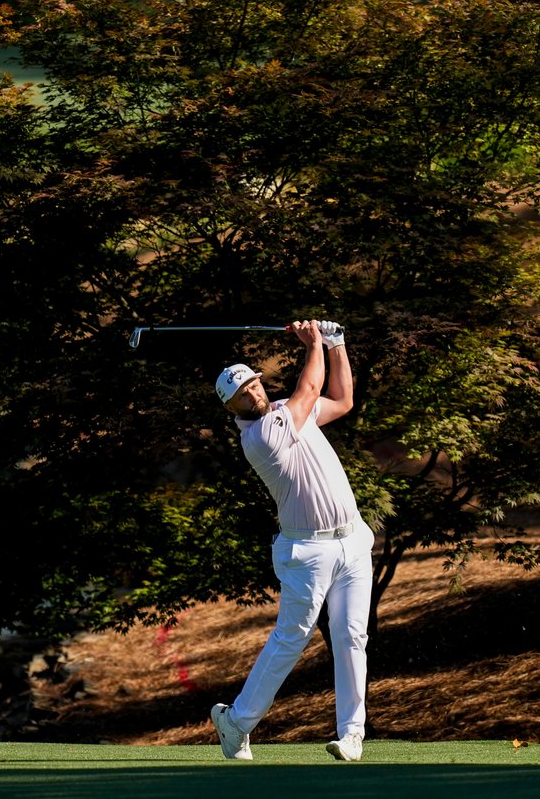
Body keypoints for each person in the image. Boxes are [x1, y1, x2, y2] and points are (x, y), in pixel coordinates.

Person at [209, 319, 374, 763]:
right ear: (232, 409)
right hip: (307, 552)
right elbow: (311, 385)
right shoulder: (262, 436)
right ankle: (236, 723)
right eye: (243, 394)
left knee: (351, 636)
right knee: (293, 635)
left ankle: (352, 736)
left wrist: (337, 344)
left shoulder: (285, 409)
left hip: (353, 541)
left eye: (254, 385)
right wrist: (314, 344)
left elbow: (341, 399)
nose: (253, 394)